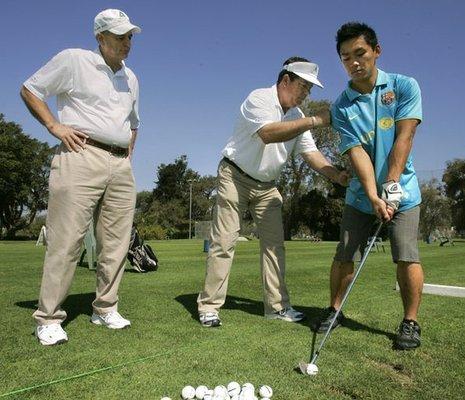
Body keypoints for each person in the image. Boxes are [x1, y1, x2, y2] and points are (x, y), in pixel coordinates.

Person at [197, 57, 349, 327]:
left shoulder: (298, 116)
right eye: (303, 86)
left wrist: (335, 175)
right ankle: (209, 307)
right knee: (225, 242)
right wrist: (316, 119)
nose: (306, 94)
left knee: (275, 246)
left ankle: (277, 308)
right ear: (286, 80)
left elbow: (310, 153)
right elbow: (268, 133)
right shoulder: (260, 98)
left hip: (267, 187)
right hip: (235, 176)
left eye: (310, 90)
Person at [20, 9, 141, 345]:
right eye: (119, 36)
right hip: (80, 155)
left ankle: (105, 309)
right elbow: (30, 89)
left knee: (116, 244)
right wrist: (53, 126)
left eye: (129, 36)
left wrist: (126, 155)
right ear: (100, 37)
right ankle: (48, 318)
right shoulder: (74, 60)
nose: (126, 43)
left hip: (119, 165)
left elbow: (134, 123)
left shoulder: (131, 78)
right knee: (66, 241)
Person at [318, 22, 424, 350]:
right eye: (345, 57)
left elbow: (404, 136)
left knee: (406, 256)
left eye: (360, 53)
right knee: (344, 254)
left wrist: (391, 186)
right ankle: (334, 311)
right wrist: (372, 194)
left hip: (402, 191)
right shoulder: (341, 107)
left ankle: (410, 322)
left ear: (377, 51)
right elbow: (356, 154)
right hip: (361, 197)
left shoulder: (405, 86)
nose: (353, 62)